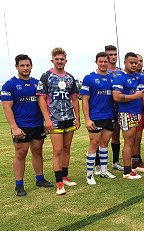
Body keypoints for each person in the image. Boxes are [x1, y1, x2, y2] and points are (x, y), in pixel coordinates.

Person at [1, 54, 53, 196]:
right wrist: (14, 127)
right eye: (22, 65)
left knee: (37, 151)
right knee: (21, 154)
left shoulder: (37, 83)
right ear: (17, 67)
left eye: (27, 65)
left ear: (31, 66)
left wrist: (45, 121)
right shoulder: (10, 84)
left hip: (37, 125)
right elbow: (7, 107)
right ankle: (19, 185)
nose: (25, 68)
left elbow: (43, 104)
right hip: (21, 126)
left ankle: (40, 178)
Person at [37, 47, 80, 195]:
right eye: (57, 59)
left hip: (69, 118)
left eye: (62, 59)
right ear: (52, 60)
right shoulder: (46, 76)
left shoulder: (70, 78)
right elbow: (41, 98)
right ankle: (59, 183)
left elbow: (74, 97)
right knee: (58, 150)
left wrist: (78, 117)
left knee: (67, 148)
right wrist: (47, 119)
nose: (60, 61)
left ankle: (65, 176)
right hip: (54, 119)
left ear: (65, 61)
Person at [81, 52, 116, 185]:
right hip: (96, 117)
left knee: (105, 144)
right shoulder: (89, 78)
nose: (103, 64)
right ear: (96, 62)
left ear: (108, 62)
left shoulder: (112, 78)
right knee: (94, 144)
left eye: (105, 61)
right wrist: (87, 119)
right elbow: (85, 100)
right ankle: (89, 175)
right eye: (100, 61)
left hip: (109, 116)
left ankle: (104, 170)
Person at [112, 52, 144, 179]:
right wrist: (134, 96)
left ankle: (132, 167)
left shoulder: (138, 76)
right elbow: (116, 96)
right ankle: (127, 171)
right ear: (125, 62)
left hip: (136, 112)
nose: (134, 65)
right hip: (126, 112)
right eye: (131, 63)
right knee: (128, 141)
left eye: (136, 63)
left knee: (134, 140)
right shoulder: (120, 76)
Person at [104, 45, 123, 172]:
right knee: (102, 139)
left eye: (115, 54)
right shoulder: (102, 71)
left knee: (116, 136)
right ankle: (98, 165)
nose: (113, 57)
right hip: (105, 109)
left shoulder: (121, 71)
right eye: (110, 55)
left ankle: (115, 161)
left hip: (119, 108)